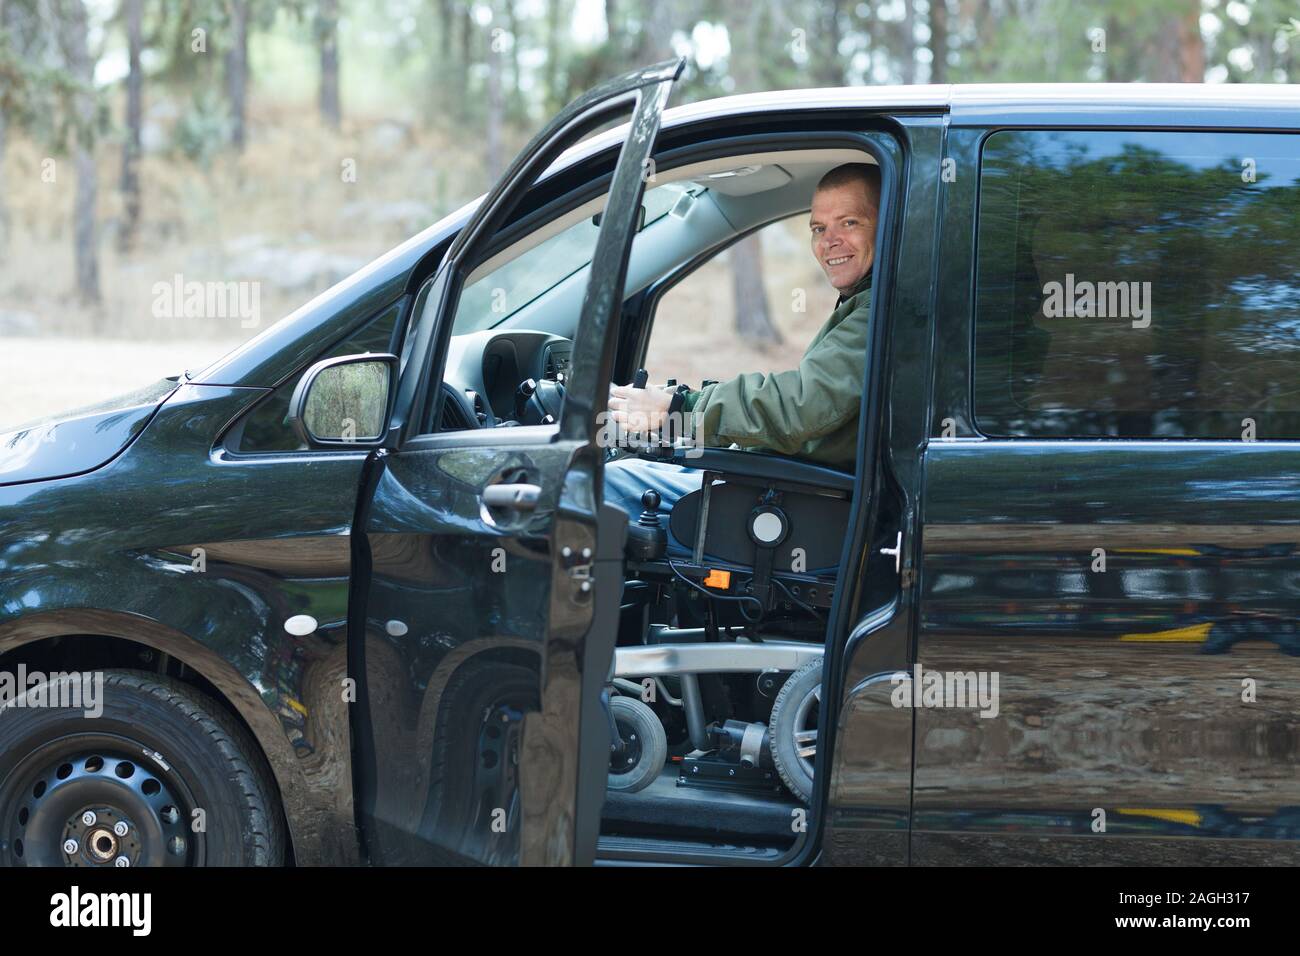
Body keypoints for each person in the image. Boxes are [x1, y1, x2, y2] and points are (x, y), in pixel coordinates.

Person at [602, 161, 880, 550]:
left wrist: (681, 408)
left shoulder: (879, 309)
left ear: (886, 224)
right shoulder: (866, 302)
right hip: (791, 486)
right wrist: (689, 408)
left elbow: (802, 405)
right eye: (819, 228)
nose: (829, 241)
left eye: (849, 222)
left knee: (606, 484)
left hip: (798, 506)